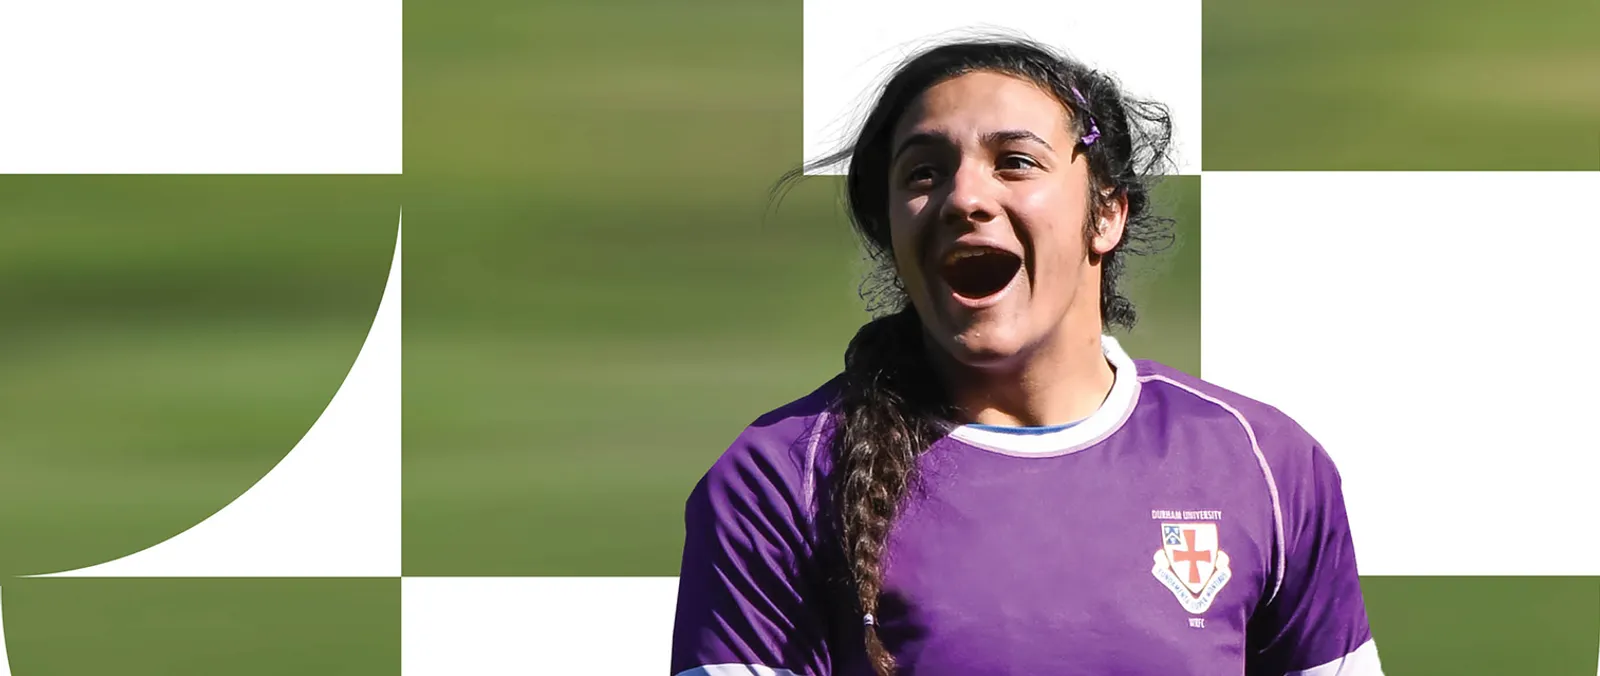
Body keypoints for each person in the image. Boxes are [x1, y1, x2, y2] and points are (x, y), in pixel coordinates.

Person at [669, 35, 1382, 676]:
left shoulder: (1261, 462)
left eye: (1014, 162)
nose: (964, 197)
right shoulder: (782, 476)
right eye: (922, 173)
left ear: (1106, 213)